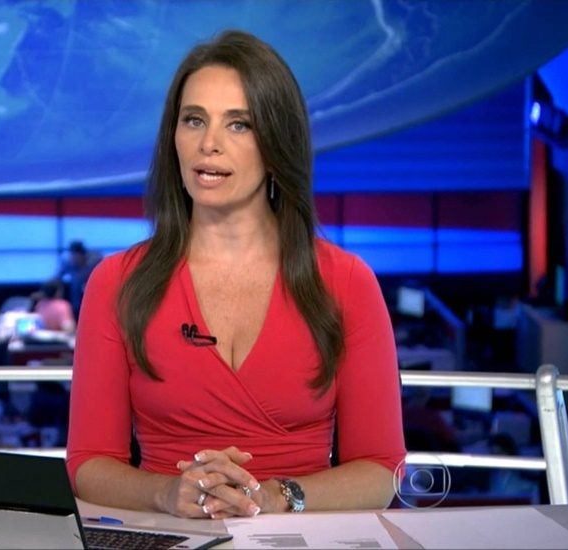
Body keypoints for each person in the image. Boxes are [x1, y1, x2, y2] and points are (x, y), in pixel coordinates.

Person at [66, 29, 405, 519]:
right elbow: (88, 464)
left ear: (276, 143)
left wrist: (273, 498)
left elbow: (380, 469)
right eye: (194, 120)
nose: (209, 144)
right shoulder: (117, 282)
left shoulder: (346, 282)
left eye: (239, 124)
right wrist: (165, 494)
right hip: (168, 533)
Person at [56, 240, 102, 319]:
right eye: (72, 255)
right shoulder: (69, 262)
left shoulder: (94, 260)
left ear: (82, 255)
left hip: (95, 294)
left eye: (75, 255)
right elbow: (57, 277)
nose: (73, 258)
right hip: (76, 300)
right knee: (75, 282)